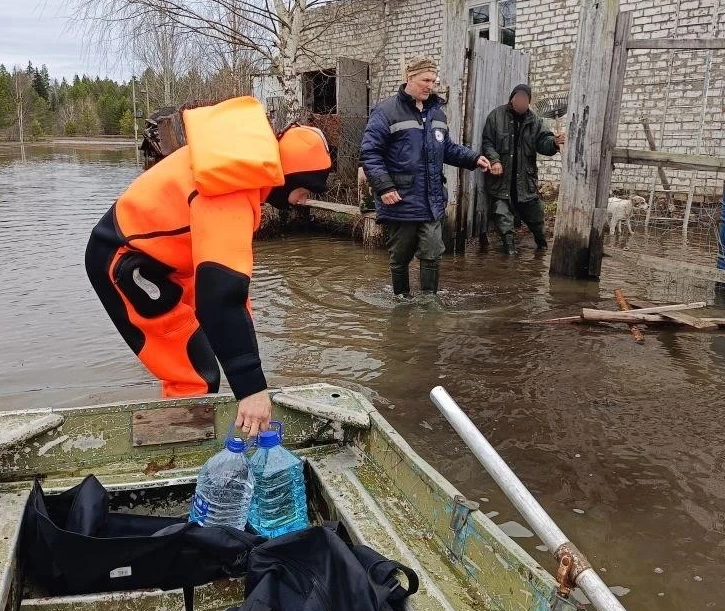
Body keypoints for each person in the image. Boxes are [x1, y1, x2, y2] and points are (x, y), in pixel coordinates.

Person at [85, 96, 332, 436]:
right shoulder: (230, 191)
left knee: (223, 336)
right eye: (307, 188)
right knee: (195, 376)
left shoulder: (241, 169)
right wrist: (252, 389)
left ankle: (184, 436)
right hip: (127, 263)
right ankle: (177, 452)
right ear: (289, 176)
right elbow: (220, 297)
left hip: (168, 261)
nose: (306, 199)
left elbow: (233, 291)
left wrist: (245, 353)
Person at [360, 56, 491, 298]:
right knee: (400, 256)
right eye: (426, 80)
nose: (431, 86)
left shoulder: (437, 114)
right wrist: (384, 187)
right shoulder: (386, 112)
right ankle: (401, 299)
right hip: (401, 199)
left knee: (432, 252)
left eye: (434, 81)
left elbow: (446, 148)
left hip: (431, 200)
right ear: (410, 78)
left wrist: (473, 158)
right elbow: (370, 153)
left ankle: (429, 302)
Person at [481, 84, 565, 255]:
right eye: (518, 98)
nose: (521, 101)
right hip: (501, 180)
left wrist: (554, 143)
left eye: (525, 99)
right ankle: (510, 252)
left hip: (525, 181)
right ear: (512, 99)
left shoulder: (535, 122)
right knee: (503, 217)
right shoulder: (496, 116)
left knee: (536, 218)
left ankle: (542, 247)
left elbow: (544, 142)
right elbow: (487, 142)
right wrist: (494, 161)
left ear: (528, 102)